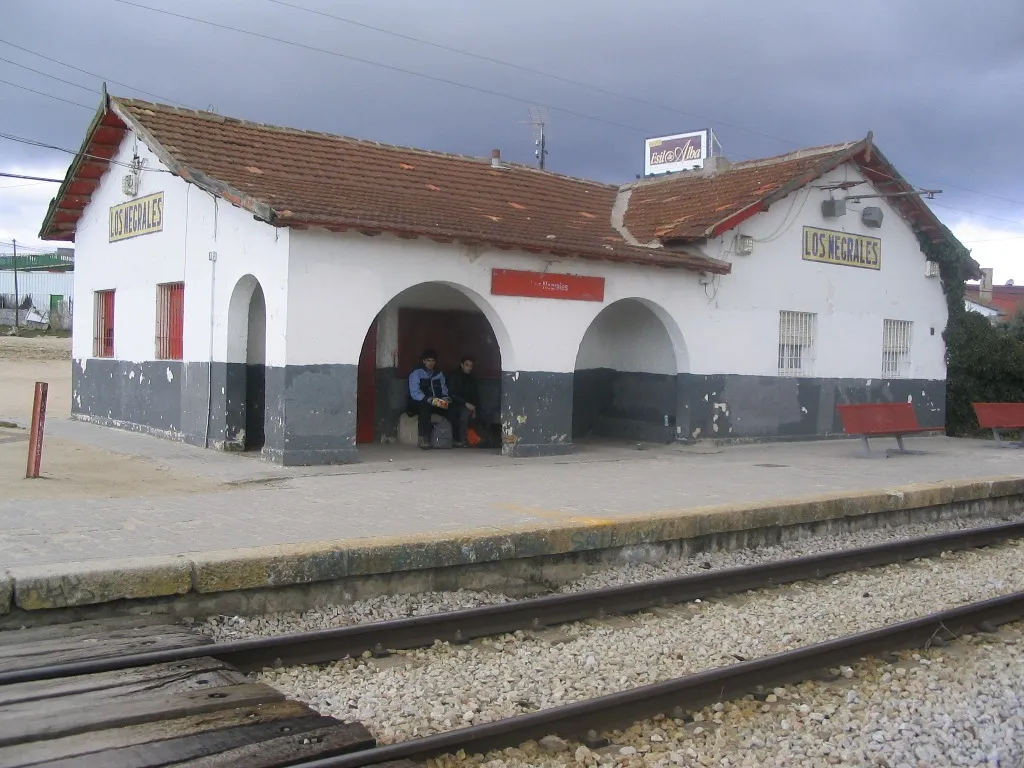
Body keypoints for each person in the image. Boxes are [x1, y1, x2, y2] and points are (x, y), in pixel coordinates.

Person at [407, 348, 451, 449]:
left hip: (435, 402)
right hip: (417, 402)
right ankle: (424, 438)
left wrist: (445, 399)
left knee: (451, 407)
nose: (431, 363)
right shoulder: (417, 373)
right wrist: (428, 399)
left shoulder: (439, 375)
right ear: (423, 361)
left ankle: (452, 439)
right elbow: (415, 393)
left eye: (433, 361)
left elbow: (444, 389)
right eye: (428, 360)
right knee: (425, 407)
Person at [447, 356, 480, 447]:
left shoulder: (472, 378)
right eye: (467, 365)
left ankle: (472, 439)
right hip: (455, 404)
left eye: (471, 366)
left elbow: (475, 395)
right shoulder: (454, 376)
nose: (469, 368)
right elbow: (452, 394)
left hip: (468, 405)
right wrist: (465, 403)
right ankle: (463, 440)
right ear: (462, 365)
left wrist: (474, 408)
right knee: (464, 414)